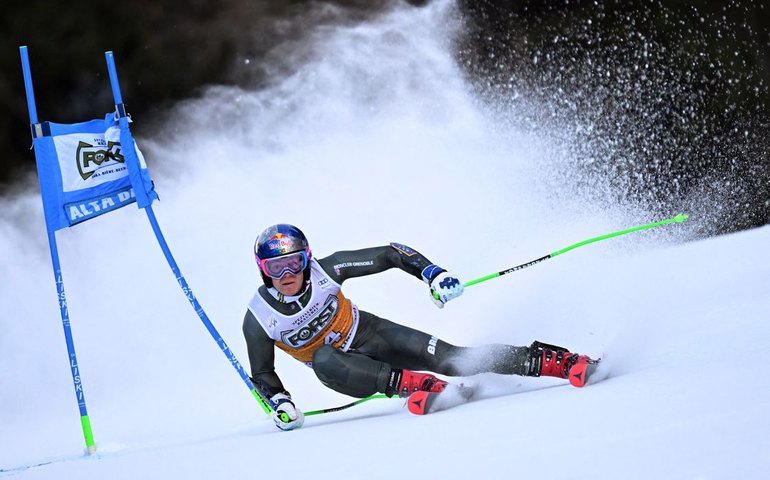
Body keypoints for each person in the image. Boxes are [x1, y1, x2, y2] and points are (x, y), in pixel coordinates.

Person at [243, 224, 596, 431]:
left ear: (308, 260)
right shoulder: (260, 316)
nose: (287, 275)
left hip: (370, 333)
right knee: (323, 357)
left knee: (455, 359)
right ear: (263, 270)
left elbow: (392, 251)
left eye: (294, 264)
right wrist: (279, 403)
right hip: (345, 372)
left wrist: (433, 274)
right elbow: (263, 371)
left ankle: (561, 362)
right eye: (276, 268)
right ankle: (420, 386)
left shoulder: (327, 270)